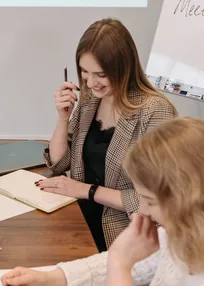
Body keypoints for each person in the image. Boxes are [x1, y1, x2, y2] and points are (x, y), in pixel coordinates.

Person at [2, 117, 204, 286]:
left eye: (150, 202)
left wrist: (119, 263)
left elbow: (122, 264)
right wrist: (50, 278)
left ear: (187, 199)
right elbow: (139, 266)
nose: (141, 209)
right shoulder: (176, 233)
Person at [38, 18, 177, 251]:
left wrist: (88, 191)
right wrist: (63, 119)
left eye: (100, 74)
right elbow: (60, 163)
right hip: (78, 217)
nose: (91, 82)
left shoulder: (155, 111)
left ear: (123, 67)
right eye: (84, 72)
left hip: (124, 231)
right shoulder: (91, 98)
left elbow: (159, 201)